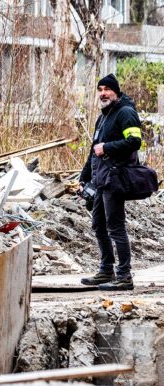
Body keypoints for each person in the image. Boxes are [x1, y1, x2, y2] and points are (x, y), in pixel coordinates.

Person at [78, 74, 142, 292]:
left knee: (115, 227)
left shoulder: (125, 113)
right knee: (98, 225)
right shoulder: (104, 116)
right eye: (100, 89)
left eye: (107, 89)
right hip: (100, 179)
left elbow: (135, 141)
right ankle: (107, 270)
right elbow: (93, 151)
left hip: (116, 178)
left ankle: (124, 275)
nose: (103, 93)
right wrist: (84, 177)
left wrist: (107, 147)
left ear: (116, 91)